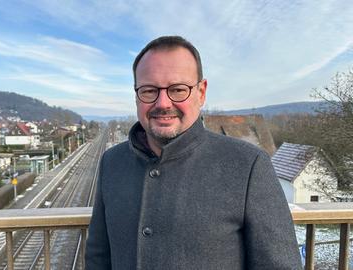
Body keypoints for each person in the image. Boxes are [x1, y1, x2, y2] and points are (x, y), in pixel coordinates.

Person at [85, 36, 301, 269]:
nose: (163, 103)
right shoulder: (112, 162)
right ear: (136, 95)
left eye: (178, 89)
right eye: (149, 90)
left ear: (201, 92)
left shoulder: (249, 166)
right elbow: (99, 255)